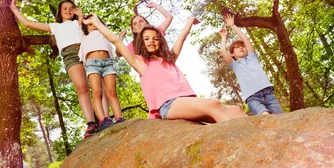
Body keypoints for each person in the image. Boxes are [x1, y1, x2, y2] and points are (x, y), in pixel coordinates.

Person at [84, 14, 247, 123]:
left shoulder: (169, 58)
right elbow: (116, 41)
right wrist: (96, 22)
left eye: (155, 38)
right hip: (168, 105)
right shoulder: (140, 63)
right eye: (147, 39)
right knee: (213, 104)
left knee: (236, 110)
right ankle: (244, 144)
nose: (151, 41)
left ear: (160, 41)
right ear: (142, 42)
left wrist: (190, 21)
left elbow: (181, 38)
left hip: (188, 101)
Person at [10, 0, 98, 138]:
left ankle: (104, 118)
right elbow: (27, 24)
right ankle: (91, 123)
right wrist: (14, 9)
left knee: (98, 87)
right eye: (65, 8)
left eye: (71, 8)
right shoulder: (56, 26)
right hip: (70, 55)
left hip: (88, 51)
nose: (68, 10)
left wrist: (81, 17)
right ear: (60, 12)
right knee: (82, 87)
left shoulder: (79, 22)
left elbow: (95, 29)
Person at [219, 14, 283, 115]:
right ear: (232, 54)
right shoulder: (235, 65)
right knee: (264, 115)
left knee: (281, 118)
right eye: (237, 47)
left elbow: (246, 39)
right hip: (253, 98)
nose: (241, 48)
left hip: (268, 93)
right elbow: (223, 51)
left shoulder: (252, 56)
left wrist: (232, 26)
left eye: (242, 46)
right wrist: (223, 37)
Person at [79, 14, 125, 130]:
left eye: (95, 23)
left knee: (112, 92)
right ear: (85, 27)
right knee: (97, 93)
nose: (93, 26)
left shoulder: (105, 34)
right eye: (90, 25)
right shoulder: (84, 36)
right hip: (92, 65)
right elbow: (80, 24)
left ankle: (120, 118)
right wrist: (81, 16)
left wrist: (121, 37)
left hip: (108, 63)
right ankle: (103, 121)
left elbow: (116, 43)